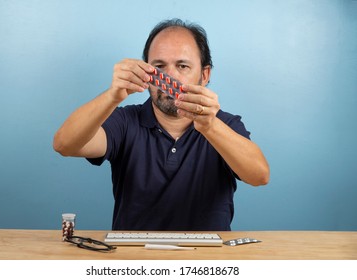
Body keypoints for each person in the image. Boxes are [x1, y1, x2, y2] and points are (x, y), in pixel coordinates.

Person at [53, 19, 270, 231]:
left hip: (208, 258)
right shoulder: (126, 121)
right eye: (159, 66)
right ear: (146, 72)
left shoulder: (225, 124)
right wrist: (112, 96)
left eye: (182, 66)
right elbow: (64, 144)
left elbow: (259, 176)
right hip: (133, 259)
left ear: (204, 75)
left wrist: (210, 127)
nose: (170, 76)